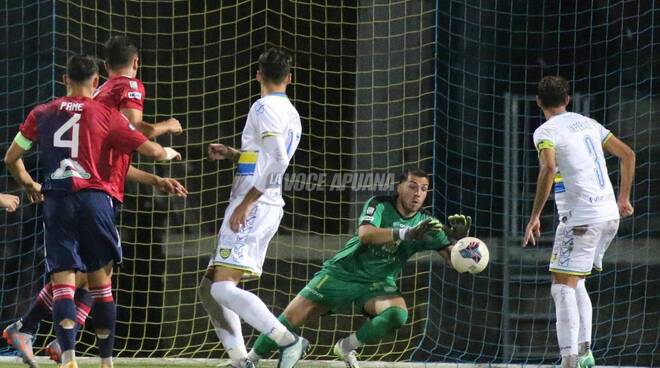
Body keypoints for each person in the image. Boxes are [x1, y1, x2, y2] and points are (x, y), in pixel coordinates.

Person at [3, 35, 187, 367]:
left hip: (60, 197)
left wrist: (28, 182)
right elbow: (138, 134)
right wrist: (166, 133)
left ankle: (45, 340)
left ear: (65, 79)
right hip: (97, 197)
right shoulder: (120, 95)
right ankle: (93, 357)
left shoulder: (46, 110)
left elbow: (14, 157)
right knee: (97, 275)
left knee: (71, 276)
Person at [247, 168, 471, 368]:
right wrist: (406, 233)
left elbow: (453, 260)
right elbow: (366, 235)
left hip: (377, 284)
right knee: (290, 318)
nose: (418, 194)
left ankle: (346, 346)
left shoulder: (427, 224)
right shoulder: (379, 204)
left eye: (423, 189)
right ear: (398, 187)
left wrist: (460, 244)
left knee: (397, 314)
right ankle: (250, 360)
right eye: (412, 187)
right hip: (342, 273)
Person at [198, 47, 304, 368]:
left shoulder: (263, 107)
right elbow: (262, 157)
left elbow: (279, 161)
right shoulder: (292, 113)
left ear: (257, 74)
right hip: (257, 202)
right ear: (289, 77)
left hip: (255, 205)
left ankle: (288, 340)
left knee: (221, 288)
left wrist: (247, 203)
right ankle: (241, 361)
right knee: (209, 288)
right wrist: (233, 153)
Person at [523, 76, 635, 368]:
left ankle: (568, 359)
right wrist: (623, 199)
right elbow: (628, 155)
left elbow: (548, 168)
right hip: (609, 216)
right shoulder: (589, 123)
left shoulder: (545, 131)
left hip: (582, 220)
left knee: (560, 287)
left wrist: (534, 216)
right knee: (575, 282)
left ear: (538, 102)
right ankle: (585, 353)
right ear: (567, 100)